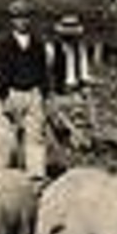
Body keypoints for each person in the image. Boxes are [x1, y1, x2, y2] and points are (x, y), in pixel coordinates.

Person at [0, 0, 55, 179]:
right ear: (12, 21)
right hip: (10, 93)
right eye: (18, 17)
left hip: (32, 94)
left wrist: (43, 92)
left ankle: (35, 178)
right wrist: (3, 93)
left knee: (35, 137)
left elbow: (43, 70)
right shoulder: (3, 44)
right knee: (5, 138)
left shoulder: (37, 44)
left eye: (25, 17)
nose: (22, 21)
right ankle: (2, 176)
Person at [46, 14, 96, 151]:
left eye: (73, 33)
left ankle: (86, 139)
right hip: (59, 93)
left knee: (88, 115)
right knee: (62, 119)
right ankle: (70, 140)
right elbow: (46, 72)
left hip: (77, 91)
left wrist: (86, 87)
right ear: (61, 33)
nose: (71, 36)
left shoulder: (81, 49)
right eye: (67, 33)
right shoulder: (51, 49)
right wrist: (49, 93)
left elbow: (84, 74)